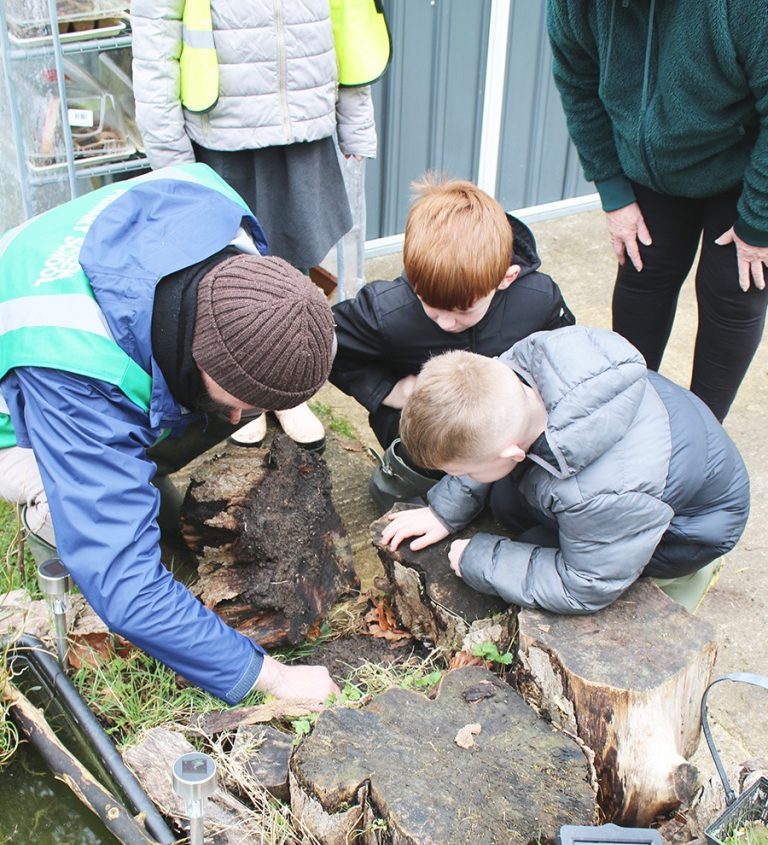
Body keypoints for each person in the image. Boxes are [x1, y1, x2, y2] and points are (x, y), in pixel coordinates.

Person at [0, 163, 339, 706]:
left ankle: (142, 488)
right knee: (101, 543)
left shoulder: (229, 219)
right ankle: (57, 530)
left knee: (211, 416)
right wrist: (273, 679)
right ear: (199, 354)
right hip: (18, 410)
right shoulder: (76, 367)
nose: (241, 418)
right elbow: (127, 587)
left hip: (94, 299)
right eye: (246, 402)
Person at [130, 0, 384, 453]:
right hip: (225, 126)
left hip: (305, 118)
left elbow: (352, 18)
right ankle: (240, 393)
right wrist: (171, 158)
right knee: (224, 266)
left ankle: (280, 391)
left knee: (294, 260)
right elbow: (155, 40)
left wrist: (355, 119)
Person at [380, 325, 750, 615]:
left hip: (685, 531)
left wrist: (481, 559)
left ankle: (689, 579)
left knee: (547, 556)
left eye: (464, 472)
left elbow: (586, 584)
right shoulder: (515, 373)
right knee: (511, 506)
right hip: (625, 475)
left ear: (512, 452)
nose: (461, 477)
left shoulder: (606, 492)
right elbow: (480, 441)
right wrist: (444, 511)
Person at [546, 0, 768, 423]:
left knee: (734, 288)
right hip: (651, 165)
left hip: (744, 161)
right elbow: (577, 83)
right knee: (643, 270)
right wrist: (613, 191)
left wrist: (760, 221)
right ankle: (629, 416)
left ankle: (702, 430)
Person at [330, 176, 575, 510]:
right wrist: (389, 390)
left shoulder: (537, 300)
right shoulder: (388, 310)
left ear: (505, 279)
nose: (445, 323)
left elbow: (562, 358)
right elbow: (330, 348)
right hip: (429, 428)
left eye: (462, 311)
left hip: (501, 429)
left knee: (513, 503)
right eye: (430, 305)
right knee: (419, 478)